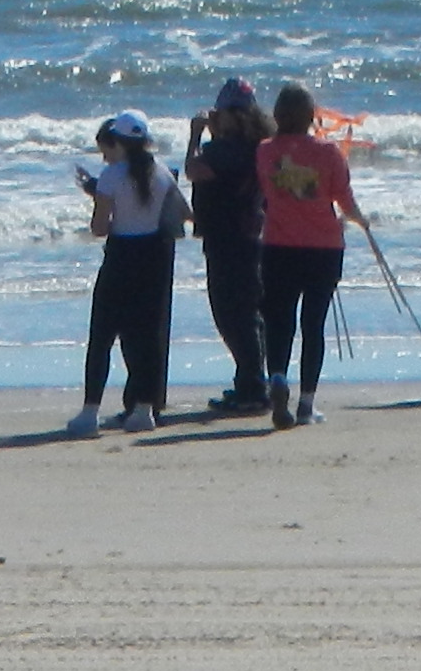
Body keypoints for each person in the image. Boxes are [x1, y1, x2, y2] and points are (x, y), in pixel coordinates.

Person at [251, 83, 366, 428]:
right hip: (323, 248)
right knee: (313, 325)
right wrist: (360, 220)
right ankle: (306, 403)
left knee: (279, 320)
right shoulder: (328, 152)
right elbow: (343, 198)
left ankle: (277, 376)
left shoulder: (265, 152)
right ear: (311, 116)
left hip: (278, 246)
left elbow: (264, 194)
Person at [67, 111, 180, 436]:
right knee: (146, 335)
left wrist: (107, 204)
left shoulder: (111, 175)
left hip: (121, 256)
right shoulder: (162, 172)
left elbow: (99, 227)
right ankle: (144, 410)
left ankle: (90, 411)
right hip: (153, 256)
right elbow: (182, 212)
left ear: (119, 141)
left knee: (102, 335)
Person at [183, 79, 272, 414]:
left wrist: (195, 136)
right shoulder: (258, 146)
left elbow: (194, 170)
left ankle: (253, 387)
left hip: (227, 238)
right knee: (248, 313)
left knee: (231, 314)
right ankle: (250, 382)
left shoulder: (225, 150)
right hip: (250, 236)